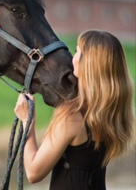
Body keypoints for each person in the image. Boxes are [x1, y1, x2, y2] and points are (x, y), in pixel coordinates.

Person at [14, 30, 135, 190]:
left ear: (89, 64)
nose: (73, 58)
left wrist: (27, 120)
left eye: (77, 51)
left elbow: (33, 172)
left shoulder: (72, 117)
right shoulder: (113, 113)